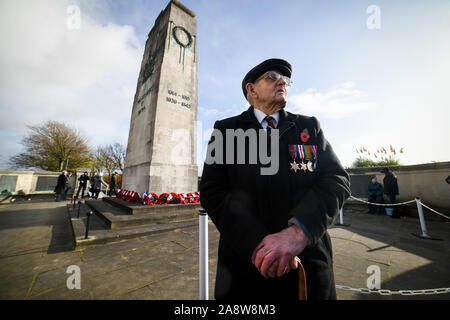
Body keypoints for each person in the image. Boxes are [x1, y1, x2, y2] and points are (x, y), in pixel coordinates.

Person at [200, 58, 351, 300]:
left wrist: (298, 233)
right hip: (246, 269)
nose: (282, 81)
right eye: (271, 76)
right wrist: (260, 245)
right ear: (251, 90)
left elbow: (337, 179)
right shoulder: (227, 130)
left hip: (307, 267)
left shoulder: (308, 127)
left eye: (285, 79)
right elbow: (211, 190)